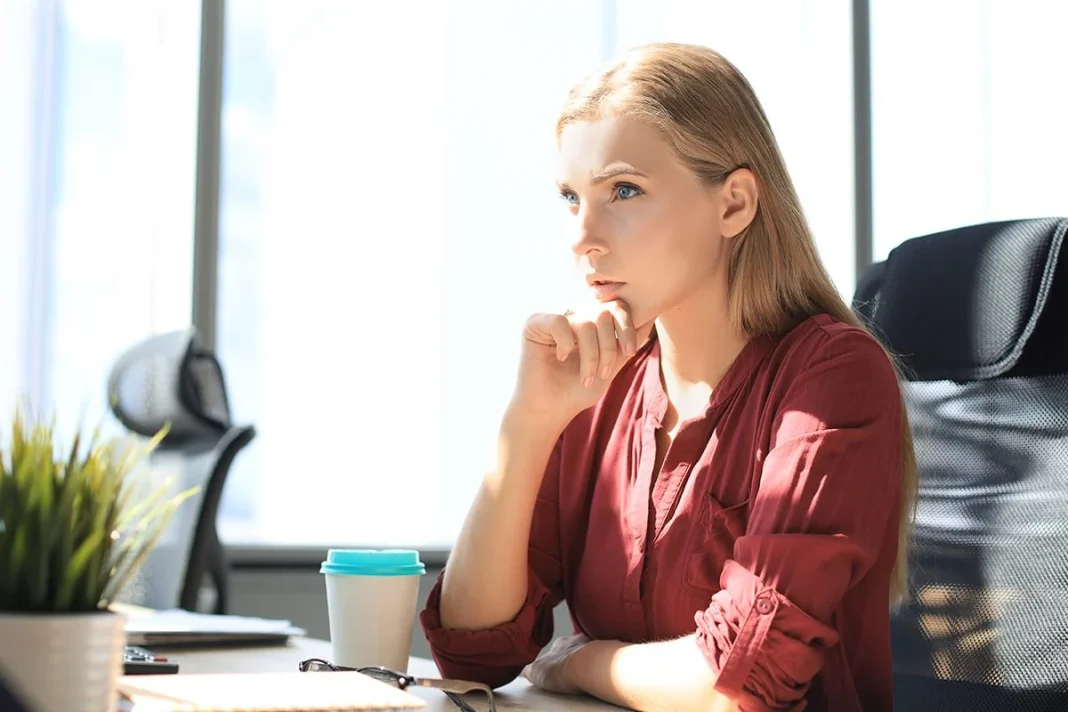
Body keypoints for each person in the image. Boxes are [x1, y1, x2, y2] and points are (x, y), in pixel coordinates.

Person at [419, 42, 916, 712]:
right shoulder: (601, 381)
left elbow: (738, 682)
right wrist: (528, 424)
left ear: (734, 204)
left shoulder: (832, 376)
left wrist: (584, 662)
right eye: (572, 197)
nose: (582, 236)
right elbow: (475, 651)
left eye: (624, 191)